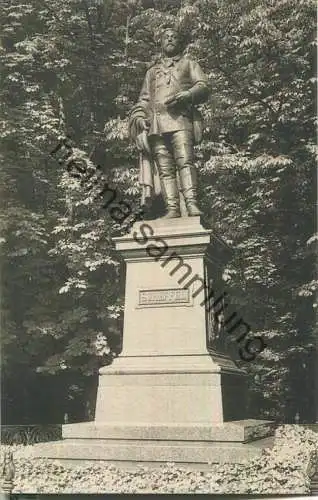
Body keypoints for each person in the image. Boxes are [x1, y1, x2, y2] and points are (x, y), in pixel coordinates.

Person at [129, 27, 209, 218]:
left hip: (181, 121)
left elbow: (204, 87)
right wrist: (139, 117)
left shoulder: (189, 64)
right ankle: (172, 208)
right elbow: (144, 99)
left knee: (186, 162)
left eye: (174, 37)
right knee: (165, 170)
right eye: (167, 37)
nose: (170, 40)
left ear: (180, 43)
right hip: (156, 126)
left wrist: (187, 94)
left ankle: (191, 205)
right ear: (161, 43)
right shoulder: (152, 72)